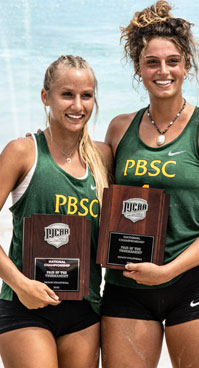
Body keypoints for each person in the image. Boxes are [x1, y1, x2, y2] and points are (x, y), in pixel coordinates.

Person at [101, 1, 199, 367]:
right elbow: (97, 196)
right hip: (127, 286)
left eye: (172, 61)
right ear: (138, 67)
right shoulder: (118, 129)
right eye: (152, 62)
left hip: (193, 281)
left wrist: (170, 271)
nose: (163, 71)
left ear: (186, 65)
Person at [0, 55, 112, 368]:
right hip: (25, 306)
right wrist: (22, 285)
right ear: (45, 96)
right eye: (67, 94)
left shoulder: (103, 157)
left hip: (84, 310)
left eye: (86, 95)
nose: (78, 105)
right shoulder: (23, 151)